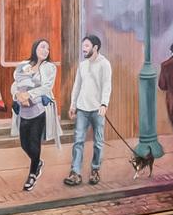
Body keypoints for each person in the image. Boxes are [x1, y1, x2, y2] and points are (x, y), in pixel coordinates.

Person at [10, 38, 59, 192]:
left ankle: (32, 174)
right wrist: (17, 94)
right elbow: (15, 83)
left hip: (39, 110)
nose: (45, 50)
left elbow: (46, 87)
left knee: (35, 142)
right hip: (24, 111)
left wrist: (28, 95)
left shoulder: (50, 67)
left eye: (48, 48)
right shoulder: (25, 65)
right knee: (24, 144)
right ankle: (37, 162)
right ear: (35, 48)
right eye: (42, 47)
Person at [63, 33, 111, 187]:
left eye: (86, 46)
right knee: (78, 141)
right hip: (82, 109)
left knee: (98, 142)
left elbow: (106, 86)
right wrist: (73, 105)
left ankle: (95, 170)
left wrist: (104, 104)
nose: (83, 49)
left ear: (95, 48)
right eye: (83, 46)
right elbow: (77, 86)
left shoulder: (105, 64)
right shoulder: (82, 65)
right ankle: (75, 173)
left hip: (97, 110)